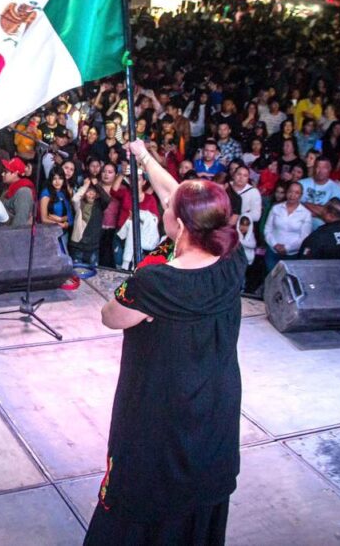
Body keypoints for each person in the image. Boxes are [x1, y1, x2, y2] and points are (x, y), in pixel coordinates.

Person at [87, 139, 244, 545]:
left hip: (161, 412)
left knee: (149, 493)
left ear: (180, 225)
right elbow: (174, 192)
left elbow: (110, 317)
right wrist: (143, 156)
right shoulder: (233, 258)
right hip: (214, 406)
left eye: (168, 208)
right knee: (197, 492)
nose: (164, 204)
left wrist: (150, 269)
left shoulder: (157, 280)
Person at [263, 181, 313, 271]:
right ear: (286, 192)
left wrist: (287, 248)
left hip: (292, 255)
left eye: (296, 193)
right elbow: (267, 229)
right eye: (290, 191)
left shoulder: (306, 214)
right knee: (271, 277)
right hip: (272, 252)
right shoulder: (276, 208)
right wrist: (274, 244)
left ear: (301, 195)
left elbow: (304, 237)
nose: (292, 195)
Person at [69, 181, 110, 266]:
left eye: (94, 191)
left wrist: (96, 184)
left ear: (97, 194)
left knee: (93, 271)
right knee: (77, 271)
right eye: (88, 191)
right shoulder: (80, 204)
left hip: (93, 247)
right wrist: (86, 185)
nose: (91, 193)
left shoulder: (99, 205)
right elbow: (75, 199)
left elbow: (107, 199)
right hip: (78, 246)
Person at [298, 156, 340, 228]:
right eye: (318, 167)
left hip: (323, 227)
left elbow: (333, 216)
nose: (320, 171)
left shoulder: (337, 189)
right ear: (314, 168)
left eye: (324, 168)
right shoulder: (301, 183)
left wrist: (304, 203)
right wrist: (321, 211)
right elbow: (292, 204)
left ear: (330, 169)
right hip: (298, 221)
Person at [0, 157, 36, 227]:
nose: (2, 174)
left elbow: (20, 223)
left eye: (6, 172)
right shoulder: (9, 188)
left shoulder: (24, 192)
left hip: (11, 232)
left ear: (15, 173)